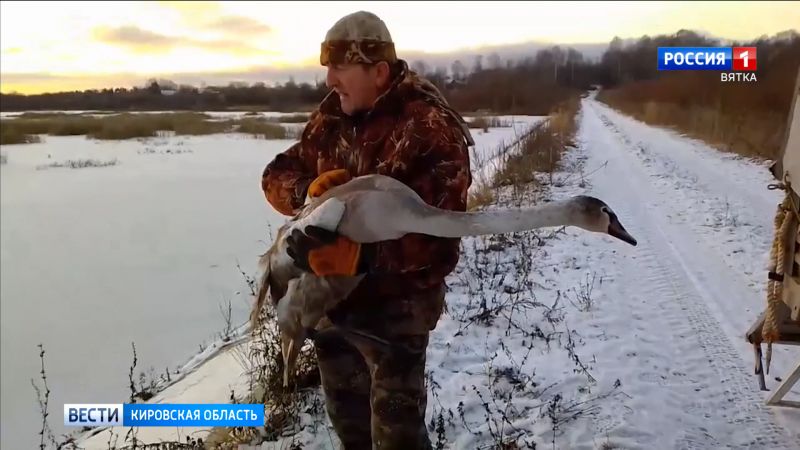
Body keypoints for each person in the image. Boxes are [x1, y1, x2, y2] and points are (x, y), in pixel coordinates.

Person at [260, 10, 474, 450]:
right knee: (351, 429)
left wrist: (365, 259)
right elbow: (275, 173)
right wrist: (305, 191)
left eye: (340, 68)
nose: (329, 81)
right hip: (331, 308)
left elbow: (441, 236)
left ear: (378, 72)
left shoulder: (429, 128)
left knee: (397, 438)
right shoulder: (331, 119)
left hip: (396, 316)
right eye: (327, 69)